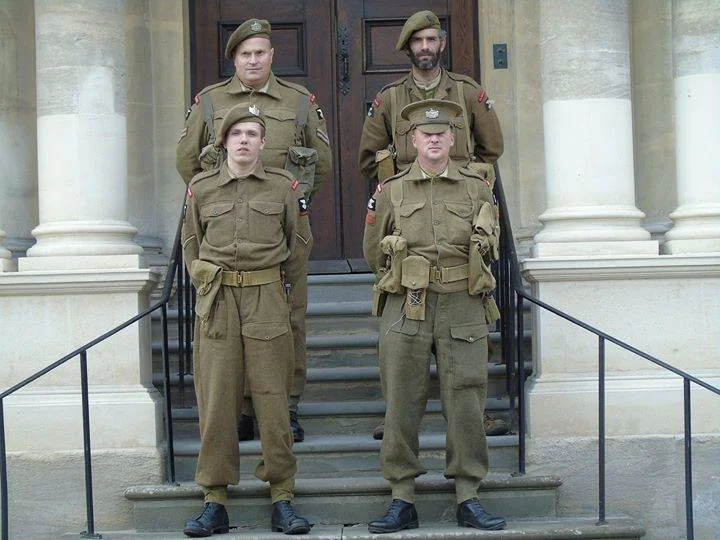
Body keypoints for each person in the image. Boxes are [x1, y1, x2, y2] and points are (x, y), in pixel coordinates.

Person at [177, 18, 332, 443]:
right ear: (234, 59)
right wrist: (216, 203)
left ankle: (285, 406)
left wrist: (287, 209)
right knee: (226, 325)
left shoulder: (298, 101)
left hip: (279, 234)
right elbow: (189, 161)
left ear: (272, 56)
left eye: (260, 52)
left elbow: (321, 162)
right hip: (226, 236)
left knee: (289, 317)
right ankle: (241, 410)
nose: (253, 60)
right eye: (245, 54)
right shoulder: (210, 103)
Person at [359, 9, 508, 440]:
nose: (425, 47)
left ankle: (471, 417)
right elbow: (369, 156)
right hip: (409, 208)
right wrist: (401, 182)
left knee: (469, 309)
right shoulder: (389, 98)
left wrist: (463, 181)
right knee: (400, 335)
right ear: (407, 48)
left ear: (441, 44)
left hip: (459, 206)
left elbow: (491, 146)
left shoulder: (466, 93)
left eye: (431, 40)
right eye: (417, 41)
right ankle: (398, 419)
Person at [363, 99, 507, 533]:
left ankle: (468, 492)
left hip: (462, 300)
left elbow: (489, 244)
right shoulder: (391, 189)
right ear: (412, 140)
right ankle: (402, 495)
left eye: (442, 134)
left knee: (465, 399)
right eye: (426, 135)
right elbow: (373, 249)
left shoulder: (477, 187)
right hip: (406, 303)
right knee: (401, 401)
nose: (434, 140)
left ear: (453, 139)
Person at [181, 103, 312, 537]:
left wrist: (285, 302)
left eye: (252, 133)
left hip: (266, 297)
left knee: (272, 398)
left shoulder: (282, 188)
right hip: (218, 300)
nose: (244, 140)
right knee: (217, 400)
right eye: (236, 133)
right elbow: (191, 245)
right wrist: (206, 288)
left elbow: (298, 249)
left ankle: (282, 495)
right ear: (223, 141)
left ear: (262, 142)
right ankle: (214, 499)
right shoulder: (202, 188)